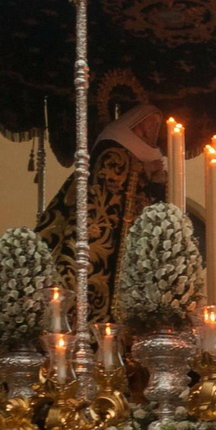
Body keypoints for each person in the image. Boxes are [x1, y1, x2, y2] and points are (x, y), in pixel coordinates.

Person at [34, 103, 166, 321]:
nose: (151, 131)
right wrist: (142, 171)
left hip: (131, 242)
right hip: (102, 235)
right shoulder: (112, 148)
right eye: (147, 125)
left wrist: (156, 181)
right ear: (134, 124)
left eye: (156, 127)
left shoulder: (149, 161)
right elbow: (107, 187)